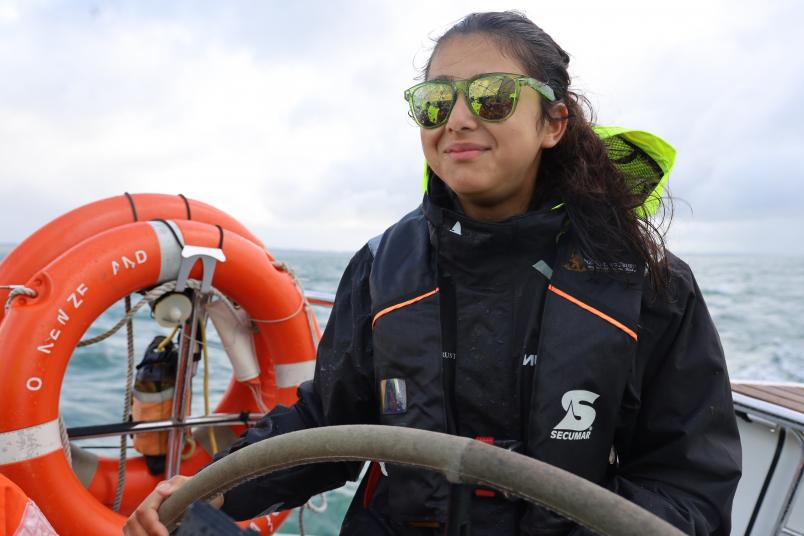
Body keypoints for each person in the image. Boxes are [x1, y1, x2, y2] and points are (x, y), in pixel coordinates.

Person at [125, 11, 741, 536]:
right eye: (437, 101)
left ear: (553, 124)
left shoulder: (646, 285)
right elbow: (326, 427)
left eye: (492, 96)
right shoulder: (381, 268)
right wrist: (210, 490)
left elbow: (688, 487)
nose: (459, 119)